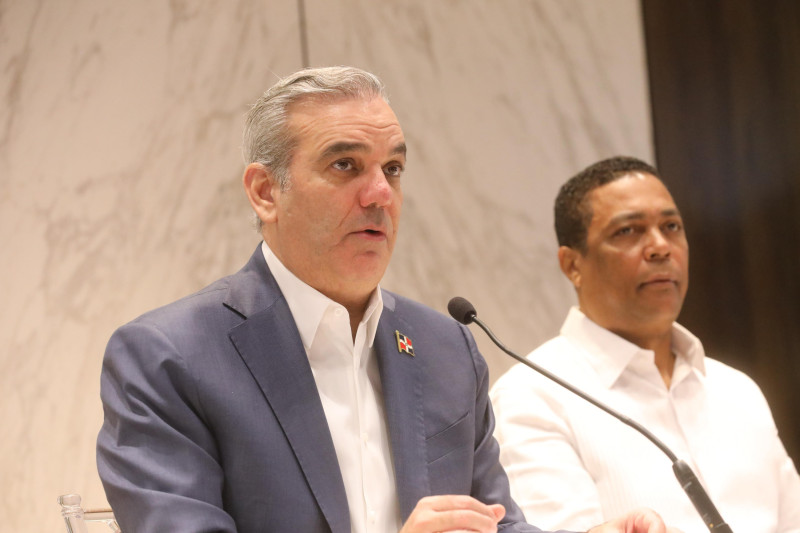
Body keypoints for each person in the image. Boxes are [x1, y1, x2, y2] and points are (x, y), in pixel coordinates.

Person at [97, 68, 670, 533]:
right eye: (344, 165)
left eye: (392, 168)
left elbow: (496, 526)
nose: (379, 195)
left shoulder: (447, 348)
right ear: (266, 191)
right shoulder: (170, 358)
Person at [490, 156, 800, 532]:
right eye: (628, 231)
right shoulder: (532, 397)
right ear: (572, 265)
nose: (660, 247)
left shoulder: (736, 389)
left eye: (671, 227)